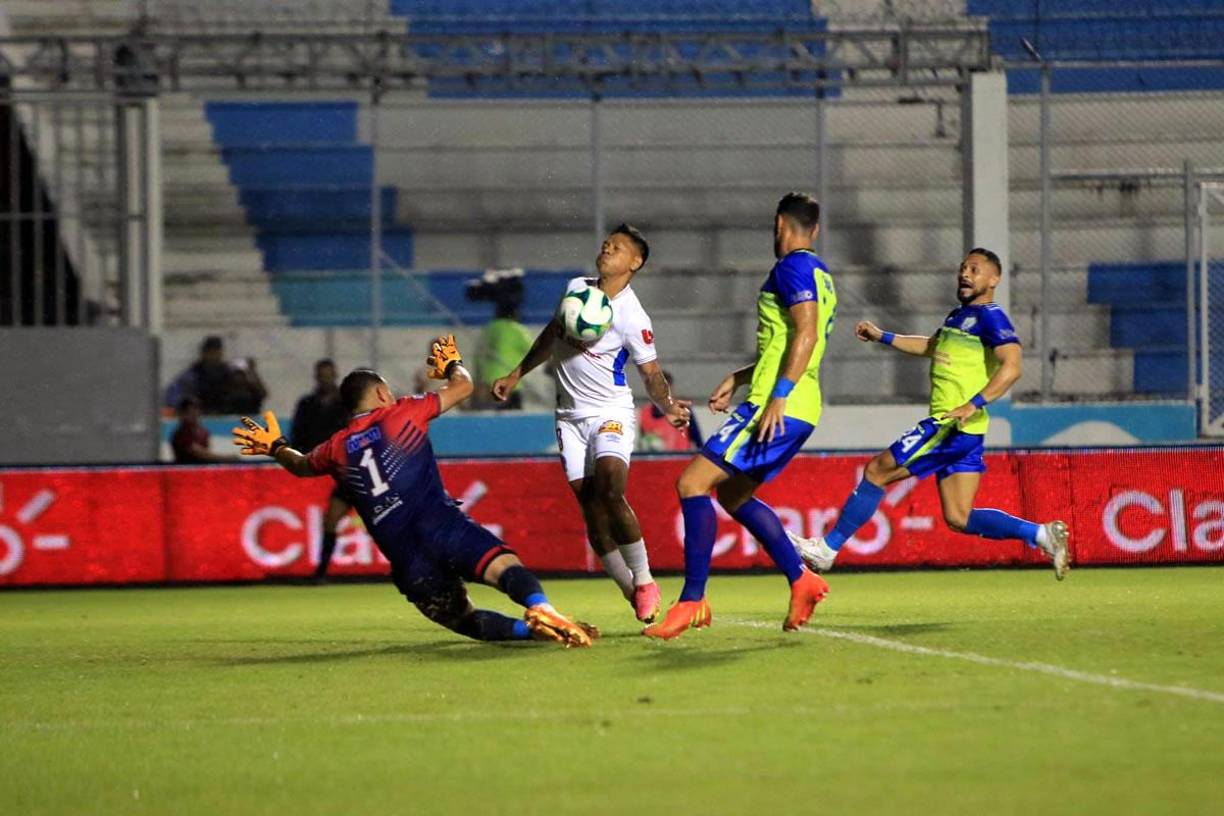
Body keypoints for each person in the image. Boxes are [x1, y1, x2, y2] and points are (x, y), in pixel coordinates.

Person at [232, 335, 595, 647]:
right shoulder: (402, 413)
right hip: (440, 525)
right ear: (380, 392)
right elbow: (464, 387)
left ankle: (528, 631)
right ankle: (544, 611)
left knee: (464, 619)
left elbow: (300, 465)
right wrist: (453, 364)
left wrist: (276, 446)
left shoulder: (336, 447)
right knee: (503, 567)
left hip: (407, 559)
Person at [788, 248, 1071, 579]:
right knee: (959, 517)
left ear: (994, 279)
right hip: (967, 430)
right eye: (963, 268)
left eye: (975, 270)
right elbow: (931, 347)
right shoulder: (958, 317)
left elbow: (1012, 368)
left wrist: (973, 403)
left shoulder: (992, 317)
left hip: (951, 425)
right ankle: (1042, 535)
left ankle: (828, 549)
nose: (965, 274)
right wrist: (884, 337)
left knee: (877, 471)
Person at [643, 192, 835, 640]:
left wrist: (776, 396)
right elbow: (792, 343)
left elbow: (805, 335)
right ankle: (802, 579)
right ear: (816, 230)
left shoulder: (792, 268)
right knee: (733, 496)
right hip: (800, 404)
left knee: (691, 483)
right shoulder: (820, 273)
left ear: (780, 224)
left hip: (777, 404)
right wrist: (742, 375)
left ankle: (691, 599)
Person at [491, 224, 691, 624]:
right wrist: (517, 373)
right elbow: (552, 332)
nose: (607, 249)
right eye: (606, 244)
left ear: (635, 262)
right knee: (591, 509)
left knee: (611, 488)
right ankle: (629, 588)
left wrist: (666, 405)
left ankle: (646, 579)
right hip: (569, 417)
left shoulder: (633, 315)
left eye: (617, 248)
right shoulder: (577, 288)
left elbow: (649, 372)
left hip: (611, 412)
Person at [290, 359, 352, 581]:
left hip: (359, 470)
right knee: (331, 520)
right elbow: (298, 434)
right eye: (322, 374)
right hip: (342, 473)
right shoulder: (307, 404)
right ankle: (321, 572)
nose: (325, 379)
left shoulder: (347, 403)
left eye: (329, 374)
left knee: (387, 524)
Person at [164, 336, 233, 415]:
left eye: (217, 352)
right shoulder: (192, 375)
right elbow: (173, 395)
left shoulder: (228, 373)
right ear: (204, 353)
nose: (214, 356)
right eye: (211, 352)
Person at [638, 370, 703, 451]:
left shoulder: (682, 409)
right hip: (655, 460)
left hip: (680, 458)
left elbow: (697, 439)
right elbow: (642, 441)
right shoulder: (645, 413)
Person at [171, 396, 237, 464]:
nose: (194, 416)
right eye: (189, 413)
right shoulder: (182, 433)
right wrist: (225, 458)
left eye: (196, 412)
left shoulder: (203, 431)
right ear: (182, 414)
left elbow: (206, 453)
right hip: (186, 470)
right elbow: (199, 453)